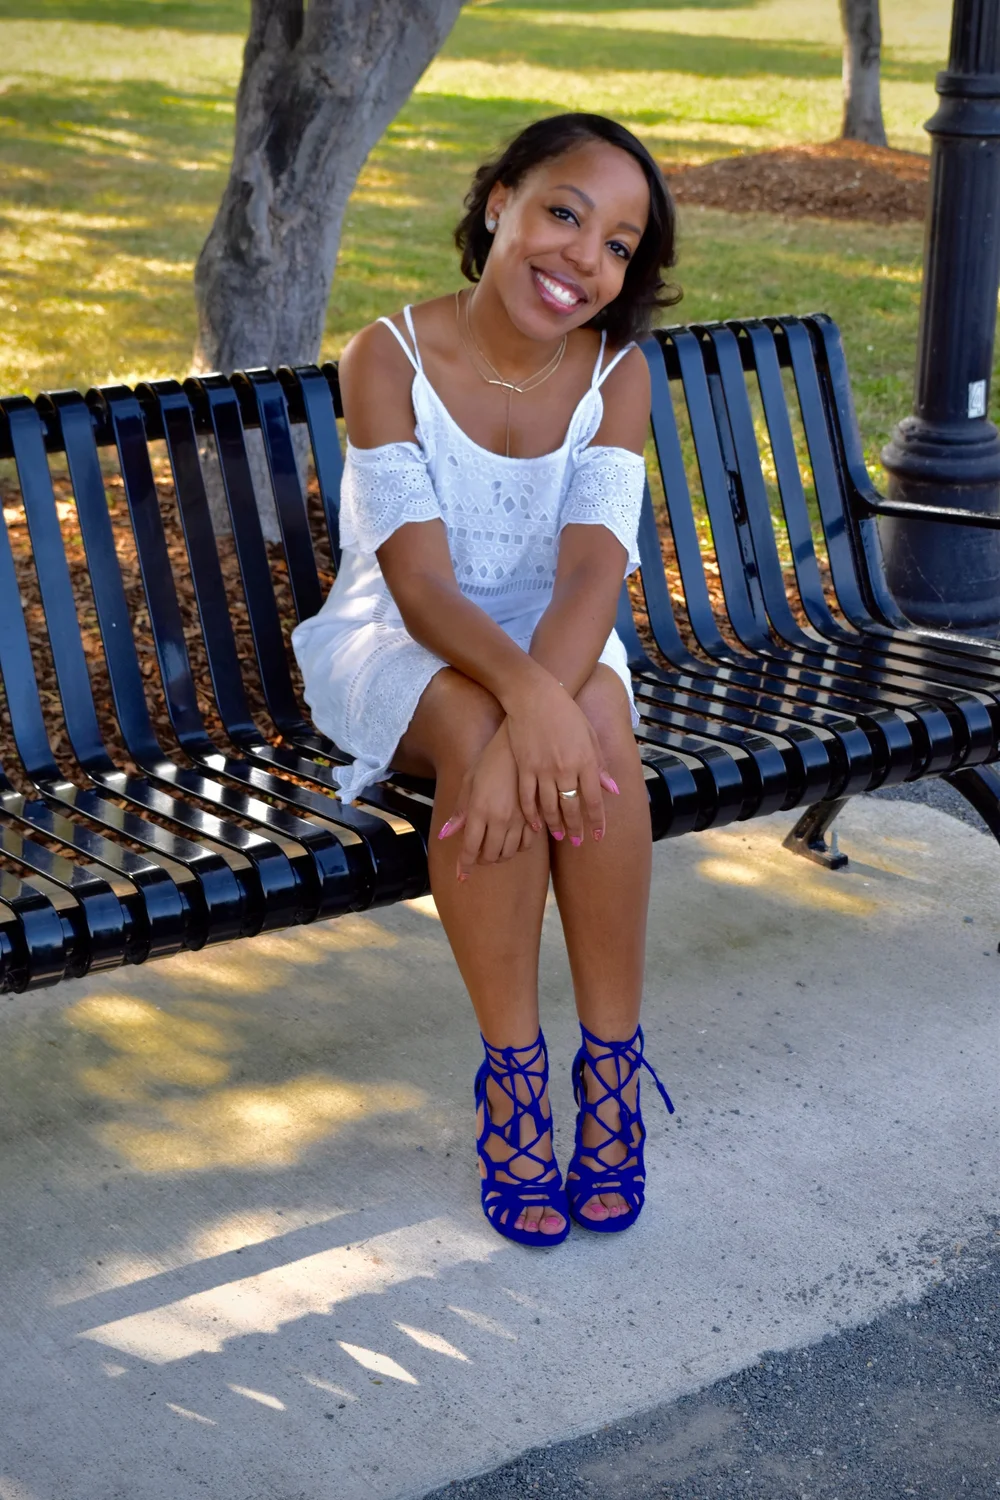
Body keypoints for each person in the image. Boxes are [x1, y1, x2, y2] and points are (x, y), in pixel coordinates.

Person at [292, 112, 680, 1247]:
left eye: (617, 246)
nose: (583, 259)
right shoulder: (388, 356)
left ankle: (610, 1069)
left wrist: (545, 703)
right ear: (500, 199)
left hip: (557, 632)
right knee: (481, 727)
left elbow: (591, 576)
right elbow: (418, 586)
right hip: (396, 639)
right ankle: (512, 1077)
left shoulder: (617, 374)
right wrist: (525, 711)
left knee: (596, 718)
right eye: (564, 213)